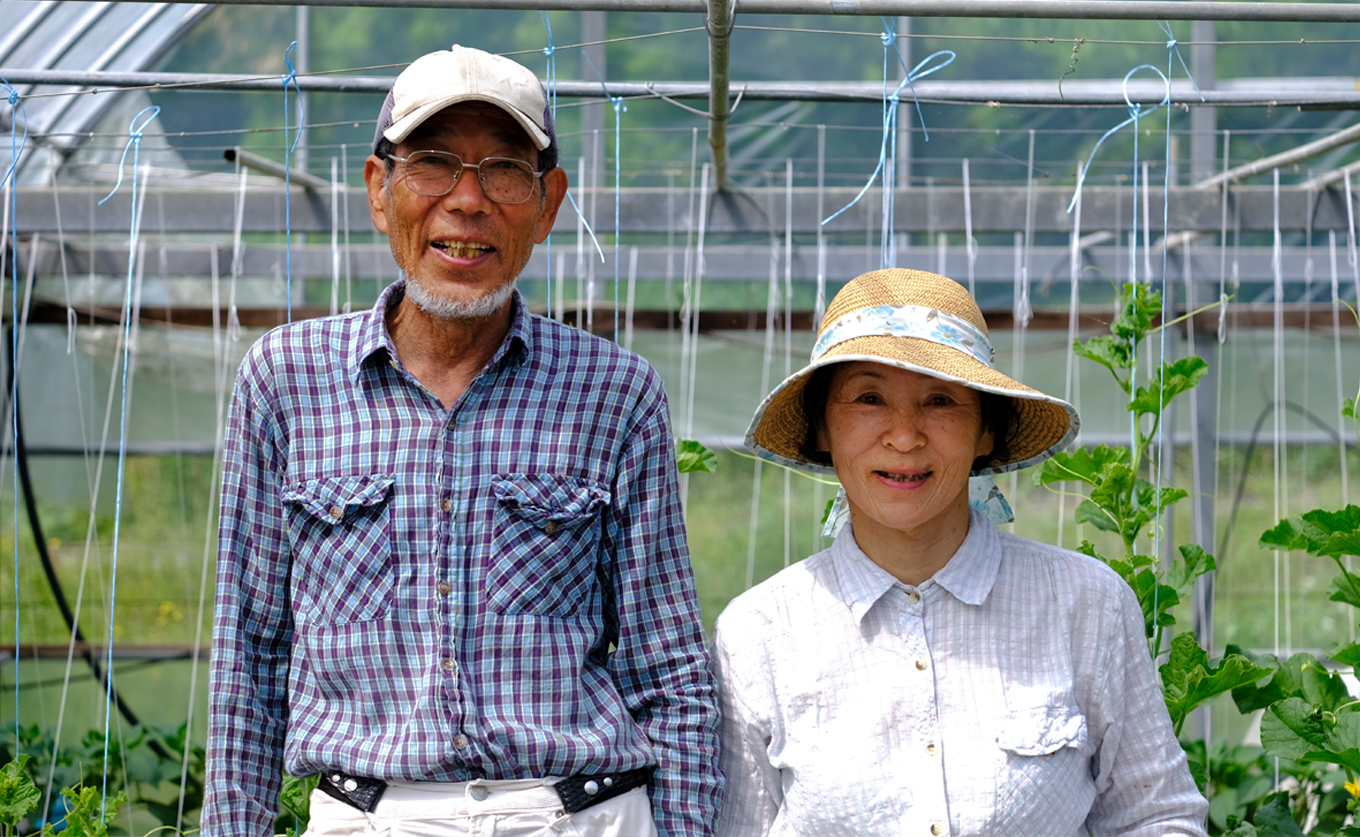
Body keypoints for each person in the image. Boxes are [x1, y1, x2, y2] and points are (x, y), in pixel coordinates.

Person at [202, 45, 721, 837]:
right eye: (434, 164)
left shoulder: (615, 392)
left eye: (505, 170)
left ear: (548, 205)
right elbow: (250, 653)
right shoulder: (286, 380)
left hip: (576, 813)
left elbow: (670, 670)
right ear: (380, 191)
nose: (467, 201)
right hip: (370, 815)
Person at [713, 268, 1208, 836]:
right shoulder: (760, 634)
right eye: (869, 398)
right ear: (823, 429)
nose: (904, 436)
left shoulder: (1085, 604)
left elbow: (1156, 816)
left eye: (940, 400)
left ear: (985, 433)